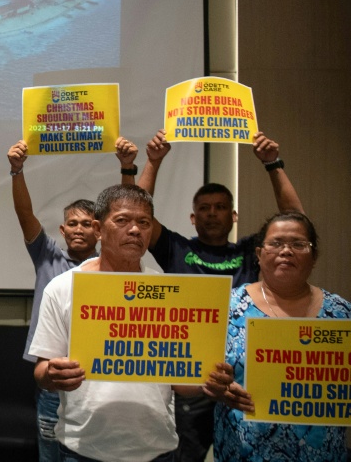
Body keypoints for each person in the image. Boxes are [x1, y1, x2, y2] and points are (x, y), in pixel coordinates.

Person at [29, 184, 231, 462]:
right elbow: (41, 370)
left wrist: (208, 381)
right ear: (99, 229)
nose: (135, 230)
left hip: (155, 447)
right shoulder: (63, 287)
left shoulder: (170, 292)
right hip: (82, 448)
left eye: (144, 223)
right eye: (122, 220)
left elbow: (181, 383)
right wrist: (53, 374)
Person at [137, 129, 305, 462]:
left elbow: (295, 223)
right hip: (192, 378)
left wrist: (273, 164)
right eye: (204, 208)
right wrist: (153, 162)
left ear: (233, 215)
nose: (212, 213)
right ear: (193, 217)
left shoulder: (251, 252)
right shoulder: (175, 248)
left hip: (243, 376)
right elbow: (137, 214)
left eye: (220, 207)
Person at [7, 137, 138, 460]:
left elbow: (128, 214)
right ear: (62, 231)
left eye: (86, 224)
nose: (79, 229)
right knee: (51, 454)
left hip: (98, 378)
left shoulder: (112, 266)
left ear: (99, 230)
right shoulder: (47, 257)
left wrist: (127, 168)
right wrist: (17, 170)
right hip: (54, 374)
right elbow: (24, 213)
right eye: (72, 224)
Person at [211, 212, 350, 461]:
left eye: (298, 244)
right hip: (244, 452)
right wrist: (215, 385)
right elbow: (198, 374)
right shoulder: (227, 307)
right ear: (258, 254)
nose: (286, 251)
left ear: (314, 257)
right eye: (275, 243)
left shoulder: (341, 313)